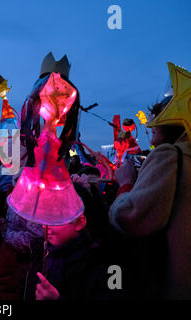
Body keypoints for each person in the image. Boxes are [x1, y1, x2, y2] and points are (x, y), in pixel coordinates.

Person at [109, 99, 190, 299]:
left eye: (154, 131)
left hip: (172, 282)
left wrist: (126, 184)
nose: (152, 142)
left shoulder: (170, 154)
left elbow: (129, 216)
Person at [24, 212, 121, 300]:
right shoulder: (43, 251)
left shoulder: (108, 263)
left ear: (79, 222)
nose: (44, 226)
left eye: (56, 219)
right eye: (47, 217)